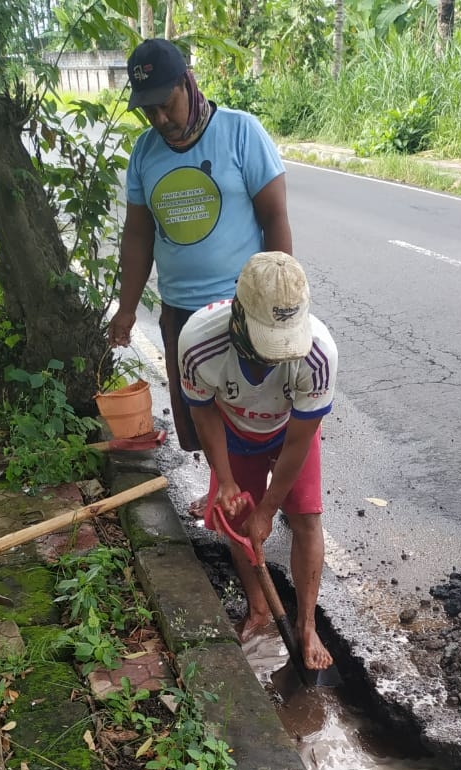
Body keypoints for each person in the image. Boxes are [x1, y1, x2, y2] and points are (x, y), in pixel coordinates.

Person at [109, 38, 293, 506]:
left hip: (245, 306)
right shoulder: (145, 154)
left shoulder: (240, 132)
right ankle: (228, 490)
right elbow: (137, 236)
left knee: (266, 405)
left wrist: (280, 306)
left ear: (188, 83)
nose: (159, 120)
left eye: (165, 105)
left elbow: (274, 217)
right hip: (181, 312)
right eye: (147, 111)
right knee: (201, 413)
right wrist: (127, 309)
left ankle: (284, 498)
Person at [177, 252, 337, 671]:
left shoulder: (319, 355)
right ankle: (259, 607)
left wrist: (269, 508)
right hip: (232, 429)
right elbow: (203, 411)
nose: (278, 357)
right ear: (239, 315)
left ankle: (306, 624)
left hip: (289, 431)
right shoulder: (199, 343)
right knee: (238, 519)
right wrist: (226, 481)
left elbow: (300, 441)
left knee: (305, 519)